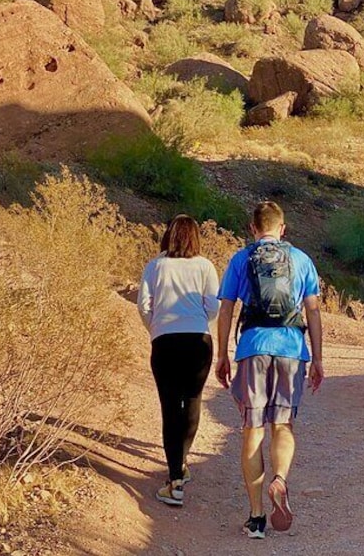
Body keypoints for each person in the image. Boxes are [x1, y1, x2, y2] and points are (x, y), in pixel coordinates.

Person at [215, 201, 323, 540]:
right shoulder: (302, 260)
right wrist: (317, 358)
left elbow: (227, 308)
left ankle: (257, 517)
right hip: (292, 348)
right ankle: (280, 479)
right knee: (283, 424)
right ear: (283, 228)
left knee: (253, 430)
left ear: (252, 228)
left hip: (253, 347)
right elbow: (314, 312)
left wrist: (222, 355)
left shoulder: (241, 258)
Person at [138, 215, 220, 508]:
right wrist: (197, 320)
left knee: (170, 407)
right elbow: (213, 306)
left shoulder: (155, 265)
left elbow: (143, 305)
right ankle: (182, 463)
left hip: (165, 341)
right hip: (198, 341)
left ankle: (174, 480)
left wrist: (156, 327)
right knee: (193, 401)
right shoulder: (205, 266)